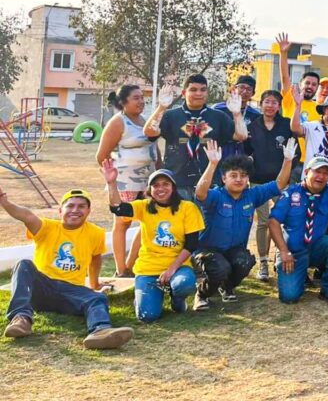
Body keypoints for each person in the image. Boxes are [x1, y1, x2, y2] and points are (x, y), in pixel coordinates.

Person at [2, 185, 134, 349]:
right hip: (43, 289)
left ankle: (100, 332)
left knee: (98, 298)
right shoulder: (46, 227)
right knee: (24, 265)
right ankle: (21, 319)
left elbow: (95, 259)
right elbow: (26, 216)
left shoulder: (96, 233)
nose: (75, 210)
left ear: (88, 211)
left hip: (71, 293)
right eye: (70, 205)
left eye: (81, 206)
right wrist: (4, 202)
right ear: (60, 210)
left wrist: (94, 285)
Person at [191, 139, 295, 309]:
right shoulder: (216, 196)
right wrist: (212, 164)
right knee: (220, 267)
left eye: (243, 175)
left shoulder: (252, 195)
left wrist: (288, 160)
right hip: (208, 251)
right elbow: (200, 193)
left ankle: (227, 287)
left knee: (245, 261)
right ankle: (201, 294)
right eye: (233, 175)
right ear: (224, 178)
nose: (239, 179)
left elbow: (279, 184)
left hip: (233, 250)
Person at [106, 166, 205, 322]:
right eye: (156, 185)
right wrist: (111, 183)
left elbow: (191, 244)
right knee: (147, 316)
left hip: (178, 266)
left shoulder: (188, 208)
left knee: (184, 284)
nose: (161, 188)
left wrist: (171, 270)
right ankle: (147, 294)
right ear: (150, 189)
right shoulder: (144, 206)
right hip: (148, 267)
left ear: (173, 187)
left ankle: (177, 299)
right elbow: (118, 208)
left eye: (166, 184)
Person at [143, 75, 247, 201]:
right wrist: (162, 107)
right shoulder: (171, 116)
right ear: (183, 93)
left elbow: (241, 136)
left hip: (209, 183)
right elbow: (149, 132)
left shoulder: (218, 117)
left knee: (206, 221)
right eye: (193, 90)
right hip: (177, 183)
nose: (199, 93)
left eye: (203, 90)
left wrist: (236, 113)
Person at [268, 155, 328, 305]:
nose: (321, 176)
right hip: (293, 253)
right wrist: (284, 251)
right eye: (317, 171)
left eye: (326, 173)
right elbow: (273, 222)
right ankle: (299, 275)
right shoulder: (290, 193)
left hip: (316, 248)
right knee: (290, 297)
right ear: (306, 172)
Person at [96, 84, 158, 276]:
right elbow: (102, 155)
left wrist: (160, 171)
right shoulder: (118, 122)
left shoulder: (145, 120)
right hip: (126, 181)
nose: (141, 101)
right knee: (123, 222)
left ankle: (130, 264)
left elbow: (155, 148)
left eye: (142, 97)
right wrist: (113, 177)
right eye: (136, 98)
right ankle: (120, 269)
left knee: (148, 221)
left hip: (149, 180)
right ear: (124, 102)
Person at [246, 89, 295, 281]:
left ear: (279, 106)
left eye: (274, 102)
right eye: (267, 101)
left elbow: (294, 151)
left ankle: (279, 257)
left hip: (281, 182)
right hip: (258, 181)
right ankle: (263, 263)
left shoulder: (286, 125)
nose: (270, 105)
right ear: (260, 104)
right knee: (264, 222)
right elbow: (246, 151)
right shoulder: (253, 126)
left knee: (283, 220)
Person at [214, 74, 261, 158]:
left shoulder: (255, 115)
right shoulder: (218, 109)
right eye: (241, 87)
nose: (245, 91)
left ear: (253, 94)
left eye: (249, 89)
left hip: (242, 156)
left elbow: (255, 138)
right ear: (234, 89)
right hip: (219, 153)